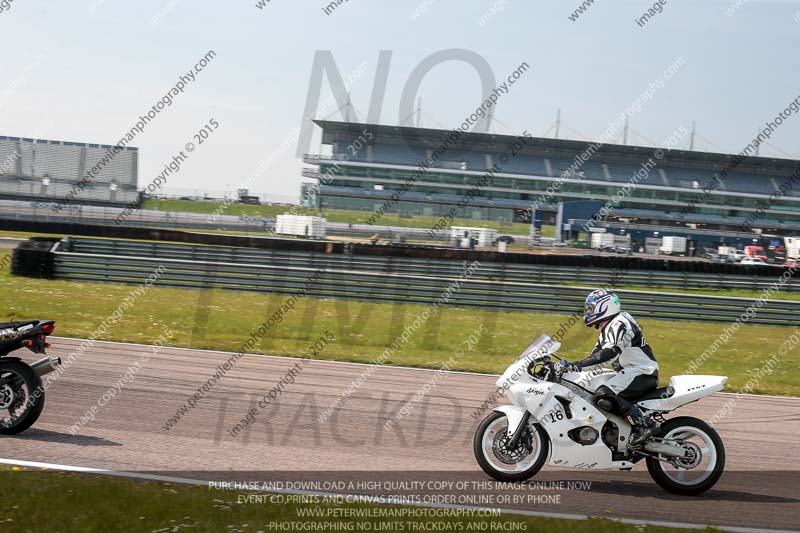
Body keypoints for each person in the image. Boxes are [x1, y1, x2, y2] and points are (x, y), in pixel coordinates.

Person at [559, 289, 659, 446]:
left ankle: (644, 426)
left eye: (591, 308)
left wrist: (577, 365)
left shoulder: (619, 323)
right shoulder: (608, 328)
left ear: (604, 306)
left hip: (642, 372)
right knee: (588, 388)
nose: (588, 312)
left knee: (603, 394)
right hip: (629, 372)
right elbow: (596, 358)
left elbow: (610, 354)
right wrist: (570, 368)